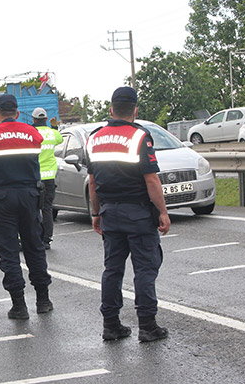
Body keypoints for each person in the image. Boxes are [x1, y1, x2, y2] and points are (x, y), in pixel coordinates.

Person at [86, 86, 171, 342]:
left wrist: (96, 213)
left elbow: (92, 182)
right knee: (145, 269)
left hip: (109, 211)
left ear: (110, 109)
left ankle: (110, 325)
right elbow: (152, 180)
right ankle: (147, 325)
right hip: (138, 213)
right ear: (135, 110)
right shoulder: (139, 136)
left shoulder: (95, 138)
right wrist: (163, 213)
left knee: (112, 269)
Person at [0, 94, 53, 319]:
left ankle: (19, 305)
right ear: (17, 113)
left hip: (1, 198)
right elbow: (37, 149)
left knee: (8, 251)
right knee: (34, 247)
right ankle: (43, 300)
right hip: (29, 195)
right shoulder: (32, 133)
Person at [32, 107, 64, 249]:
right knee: (47, 209)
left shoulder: (31, 133)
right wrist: (54, 125)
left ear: (33, 119)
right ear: (45, 119)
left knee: (33, 209)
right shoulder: (53, 133)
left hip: (34, 177)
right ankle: (47, 239)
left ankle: (34, 238)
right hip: (49, 177)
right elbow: (59, 138)